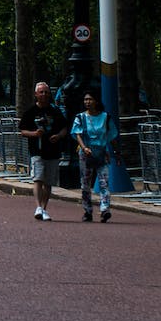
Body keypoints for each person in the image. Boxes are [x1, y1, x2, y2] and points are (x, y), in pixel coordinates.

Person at [19, 82, 67, 221]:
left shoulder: (55, 111)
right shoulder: (30, 112)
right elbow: (22, 131)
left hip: (53, 151)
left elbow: (64, 128)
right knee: (38, 178)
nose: (44, 95)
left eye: (46, 92)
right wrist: (34, 134)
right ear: (36, 94)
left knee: (49, 182)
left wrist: (58, 136)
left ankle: (44, 209)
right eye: (41, 92)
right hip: (37, 150)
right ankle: (38, 207)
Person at [70, 89, 118, 222]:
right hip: (86, 154)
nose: (88, 102)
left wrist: (116, 153)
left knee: (104, 182)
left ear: (96, 101)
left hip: (102, 152)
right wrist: (84, 147)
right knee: (85, 183)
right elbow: (77, 134)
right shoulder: (80, 117)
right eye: (86, 100)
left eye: (90, 99)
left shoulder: (105, 117)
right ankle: (87, 210)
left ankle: (104, 209)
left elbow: (112, 136)